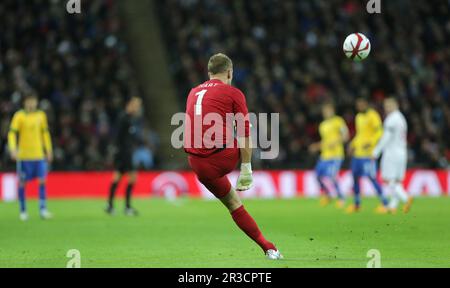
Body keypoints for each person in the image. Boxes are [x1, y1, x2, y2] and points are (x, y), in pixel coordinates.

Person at [184, 53, 282, 260]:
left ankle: (269, 247)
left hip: (197, 164)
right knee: (247, 129)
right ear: (230, 72)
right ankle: (269, 249)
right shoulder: (233, 93)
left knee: (234, 204)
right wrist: (246, 168)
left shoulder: (193, 92)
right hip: (221, 157)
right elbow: (244, 135)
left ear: (209, 73)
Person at [8, 94, 53, 221]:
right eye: (29, 101)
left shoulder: (41, 116)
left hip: (39, 155)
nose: (31, 104)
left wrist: (48, 150)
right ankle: (23, 211)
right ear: (24, 103)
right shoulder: (19, 116)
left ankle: (43, 209)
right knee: (22, 182)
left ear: (36, 102)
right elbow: (12, 133)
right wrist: (13, 149)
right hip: (24, 156)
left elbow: (45, 133)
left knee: (42, 181)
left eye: (33, 101)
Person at [346, 98, 389, 214]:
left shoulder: (373, 115)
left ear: (366, 104)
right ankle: (357, 204)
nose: (359, 107)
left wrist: (370, 143)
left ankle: (385, 203)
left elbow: (379, 132)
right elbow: (360, 134)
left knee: (372, 177)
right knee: (355, 177)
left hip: (368, 154)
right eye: (358, 105)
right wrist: (352, 144)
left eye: (361, 104)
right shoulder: (358, 117)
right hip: (358, 154)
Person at [373, 97, 413, 213]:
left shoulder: (391, 119)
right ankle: (392, 206)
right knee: (396, 181)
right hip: (402, 152)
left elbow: (386, 138)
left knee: (386, 179)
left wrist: (376, 151)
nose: (386, 108)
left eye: (388, 105)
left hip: (392, 152)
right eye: (385, 106)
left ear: (395, 105)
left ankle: (406, 198)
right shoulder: (401, 118)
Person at [106, 97, 143, 216]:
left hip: (124, 152)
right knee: (132, 178)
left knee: (117, 178)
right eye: (136, 105)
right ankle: (127, 208)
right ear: (130, 105)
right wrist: (118, 151)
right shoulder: (125, 118)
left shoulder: (129, 119)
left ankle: (110, 205)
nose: (137, 108)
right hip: (124, 153)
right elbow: (117, 136)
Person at [309, 101, 349, 208]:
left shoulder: (338, 121)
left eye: (328, 111)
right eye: (325, 111)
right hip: (325, 155)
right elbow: (325, 141)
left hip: (336, 155)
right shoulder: (322, 125)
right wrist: (316, 146)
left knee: (332, 176)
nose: (326, 113)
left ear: (333, 111)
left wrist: (335, 142)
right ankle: (327, 194)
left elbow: (346, 136)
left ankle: (341, 198)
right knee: (317, 176)